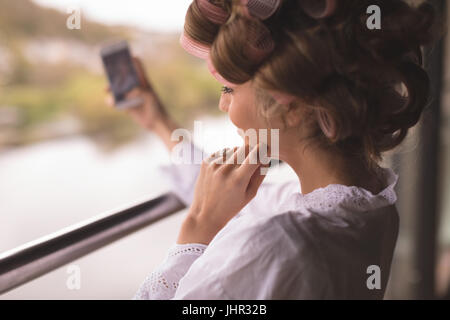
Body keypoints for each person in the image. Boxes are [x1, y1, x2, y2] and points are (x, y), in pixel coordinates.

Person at [112, 0, 439, 299]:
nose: (223, 104)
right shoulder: (369, 203)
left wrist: (197, 230)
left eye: (229, 88)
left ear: (292, 103)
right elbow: (231, 192)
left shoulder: (277, 245)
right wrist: (157, 121)